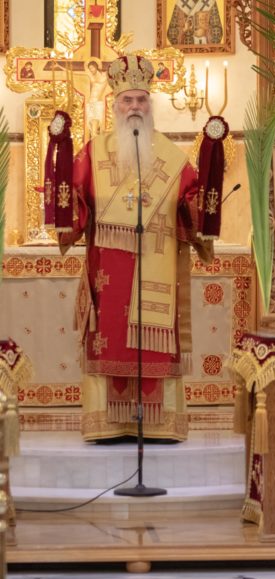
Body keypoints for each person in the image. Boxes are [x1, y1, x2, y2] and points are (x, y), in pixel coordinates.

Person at [58, 55, 215, 443]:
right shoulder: (92, 152)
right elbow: (74, 204)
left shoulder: (173, 158)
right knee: (108, 337)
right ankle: (107, 423)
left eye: (141, 100)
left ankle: (159, 424)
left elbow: (193, 206)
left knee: (152, 344)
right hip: (108, 274)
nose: (134, 107)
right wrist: (60, 194)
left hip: (156, 266)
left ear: (150, 105)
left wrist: (207, 199)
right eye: (127, 100)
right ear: (115, 105)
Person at [85, 60, 109, 138]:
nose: (91, 70)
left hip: (98, 101)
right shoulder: (91, 75)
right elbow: (74, 73)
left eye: (92, 68)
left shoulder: (105, 75)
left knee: (95, 122)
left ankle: (95, 138)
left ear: (96, 67)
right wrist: (60, 67)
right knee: (91, 124)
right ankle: (94, 138)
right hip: (91, 101)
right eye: (90, 69)